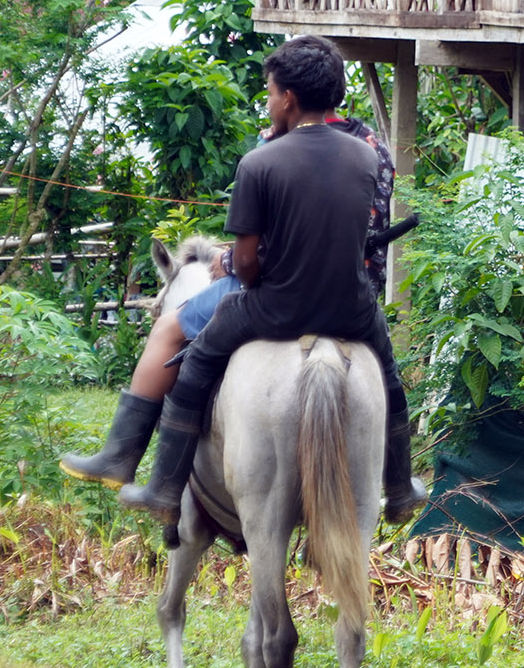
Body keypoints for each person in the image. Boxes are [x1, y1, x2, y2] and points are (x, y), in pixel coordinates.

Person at [59, 35, 427, 522]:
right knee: (388, 374)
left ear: (288, 99)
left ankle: (147, 476)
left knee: (191, 356)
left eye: (271, 93)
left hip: (278, 304)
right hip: (352, 304)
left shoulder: (260, 161)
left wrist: (245, 273)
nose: (269, 102)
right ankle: (399, 488)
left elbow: (249, 263)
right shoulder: (367, 154)